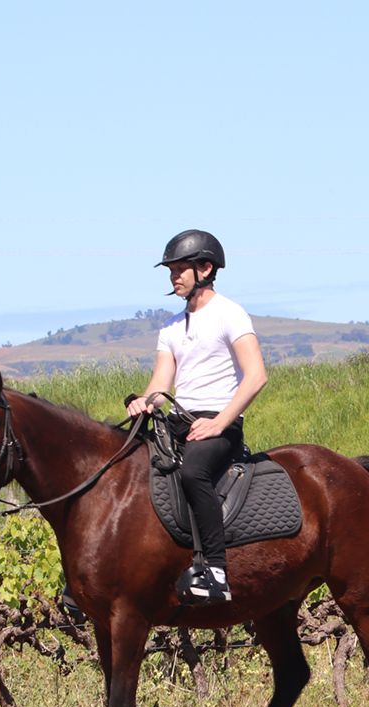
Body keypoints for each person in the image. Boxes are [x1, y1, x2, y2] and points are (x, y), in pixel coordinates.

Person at [126, 229, 268, 606]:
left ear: (205, 268)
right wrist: (145, 402)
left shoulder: (230, 314)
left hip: (219, 424)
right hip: (178, 421)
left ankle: (216, 571)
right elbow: (161, 382)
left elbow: (256, 376)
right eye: (170, 270)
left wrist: (221, 422)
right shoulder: (171, 327)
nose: (173, 277)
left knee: (192, 472)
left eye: (179, 269)